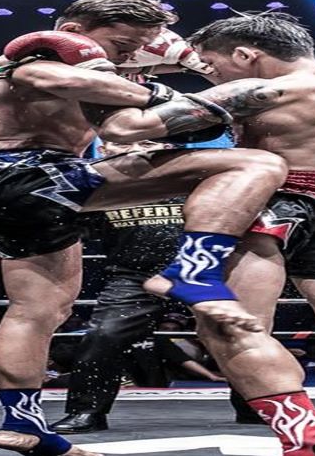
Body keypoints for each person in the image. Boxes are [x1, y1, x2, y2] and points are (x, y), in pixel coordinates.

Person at [0, 0, 289, 456]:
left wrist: (189, 65)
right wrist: (170, 99)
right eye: (121, 45)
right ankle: (195, 268)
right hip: (32, 175)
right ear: (75, 32)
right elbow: (58, 78)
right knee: (255, 164)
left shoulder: (101, 67)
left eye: (133, 48)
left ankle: (23, 425)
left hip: (11, 189)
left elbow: (189, 72)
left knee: (39, 310)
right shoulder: (37, 58)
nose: (125, 57)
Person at [97, 11, 315, 456]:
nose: (210, 72)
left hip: (273, 209)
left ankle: (308, 440)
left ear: (246, 54)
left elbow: (126, 130)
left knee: (230, 327)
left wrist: (111, 77)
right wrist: (185, 66)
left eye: (213, 63)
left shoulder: (259, 92)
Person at [52, 140, 251, 433]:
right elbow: (62, 233)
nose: (136, 148)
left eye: (147, 141)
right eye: (123, 143)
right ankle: (86, 411)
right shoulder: (95, 189)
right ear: (104, 150)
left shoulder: (198, 178)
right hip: (133, 275)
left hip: (202, 271)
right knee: (103, 335)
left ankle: (255, 406)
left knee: (238, 333)